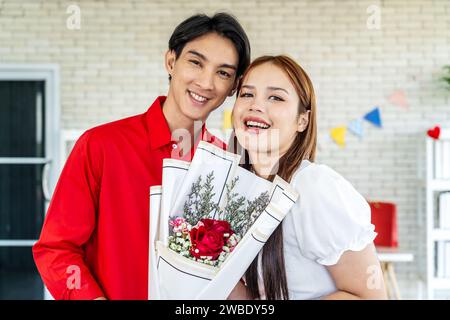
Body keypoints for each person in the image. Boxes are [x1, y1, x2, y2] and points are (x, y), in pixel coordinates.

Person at [32, 13, 251, 300]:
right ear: (171, 62)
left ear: (233, 86)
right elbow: (57, 249)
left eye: (223, 73)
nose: (206, 83)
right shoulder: (100, 145)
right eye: (196, 62)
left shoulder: (227, 165)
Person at [229, 55, 387, 300]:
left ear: (302, 120)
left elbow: (371, 297)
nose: (256, 106)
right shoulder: (244, 189)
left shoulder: (313, 187)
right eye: (247, 94)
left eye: (276, 97)